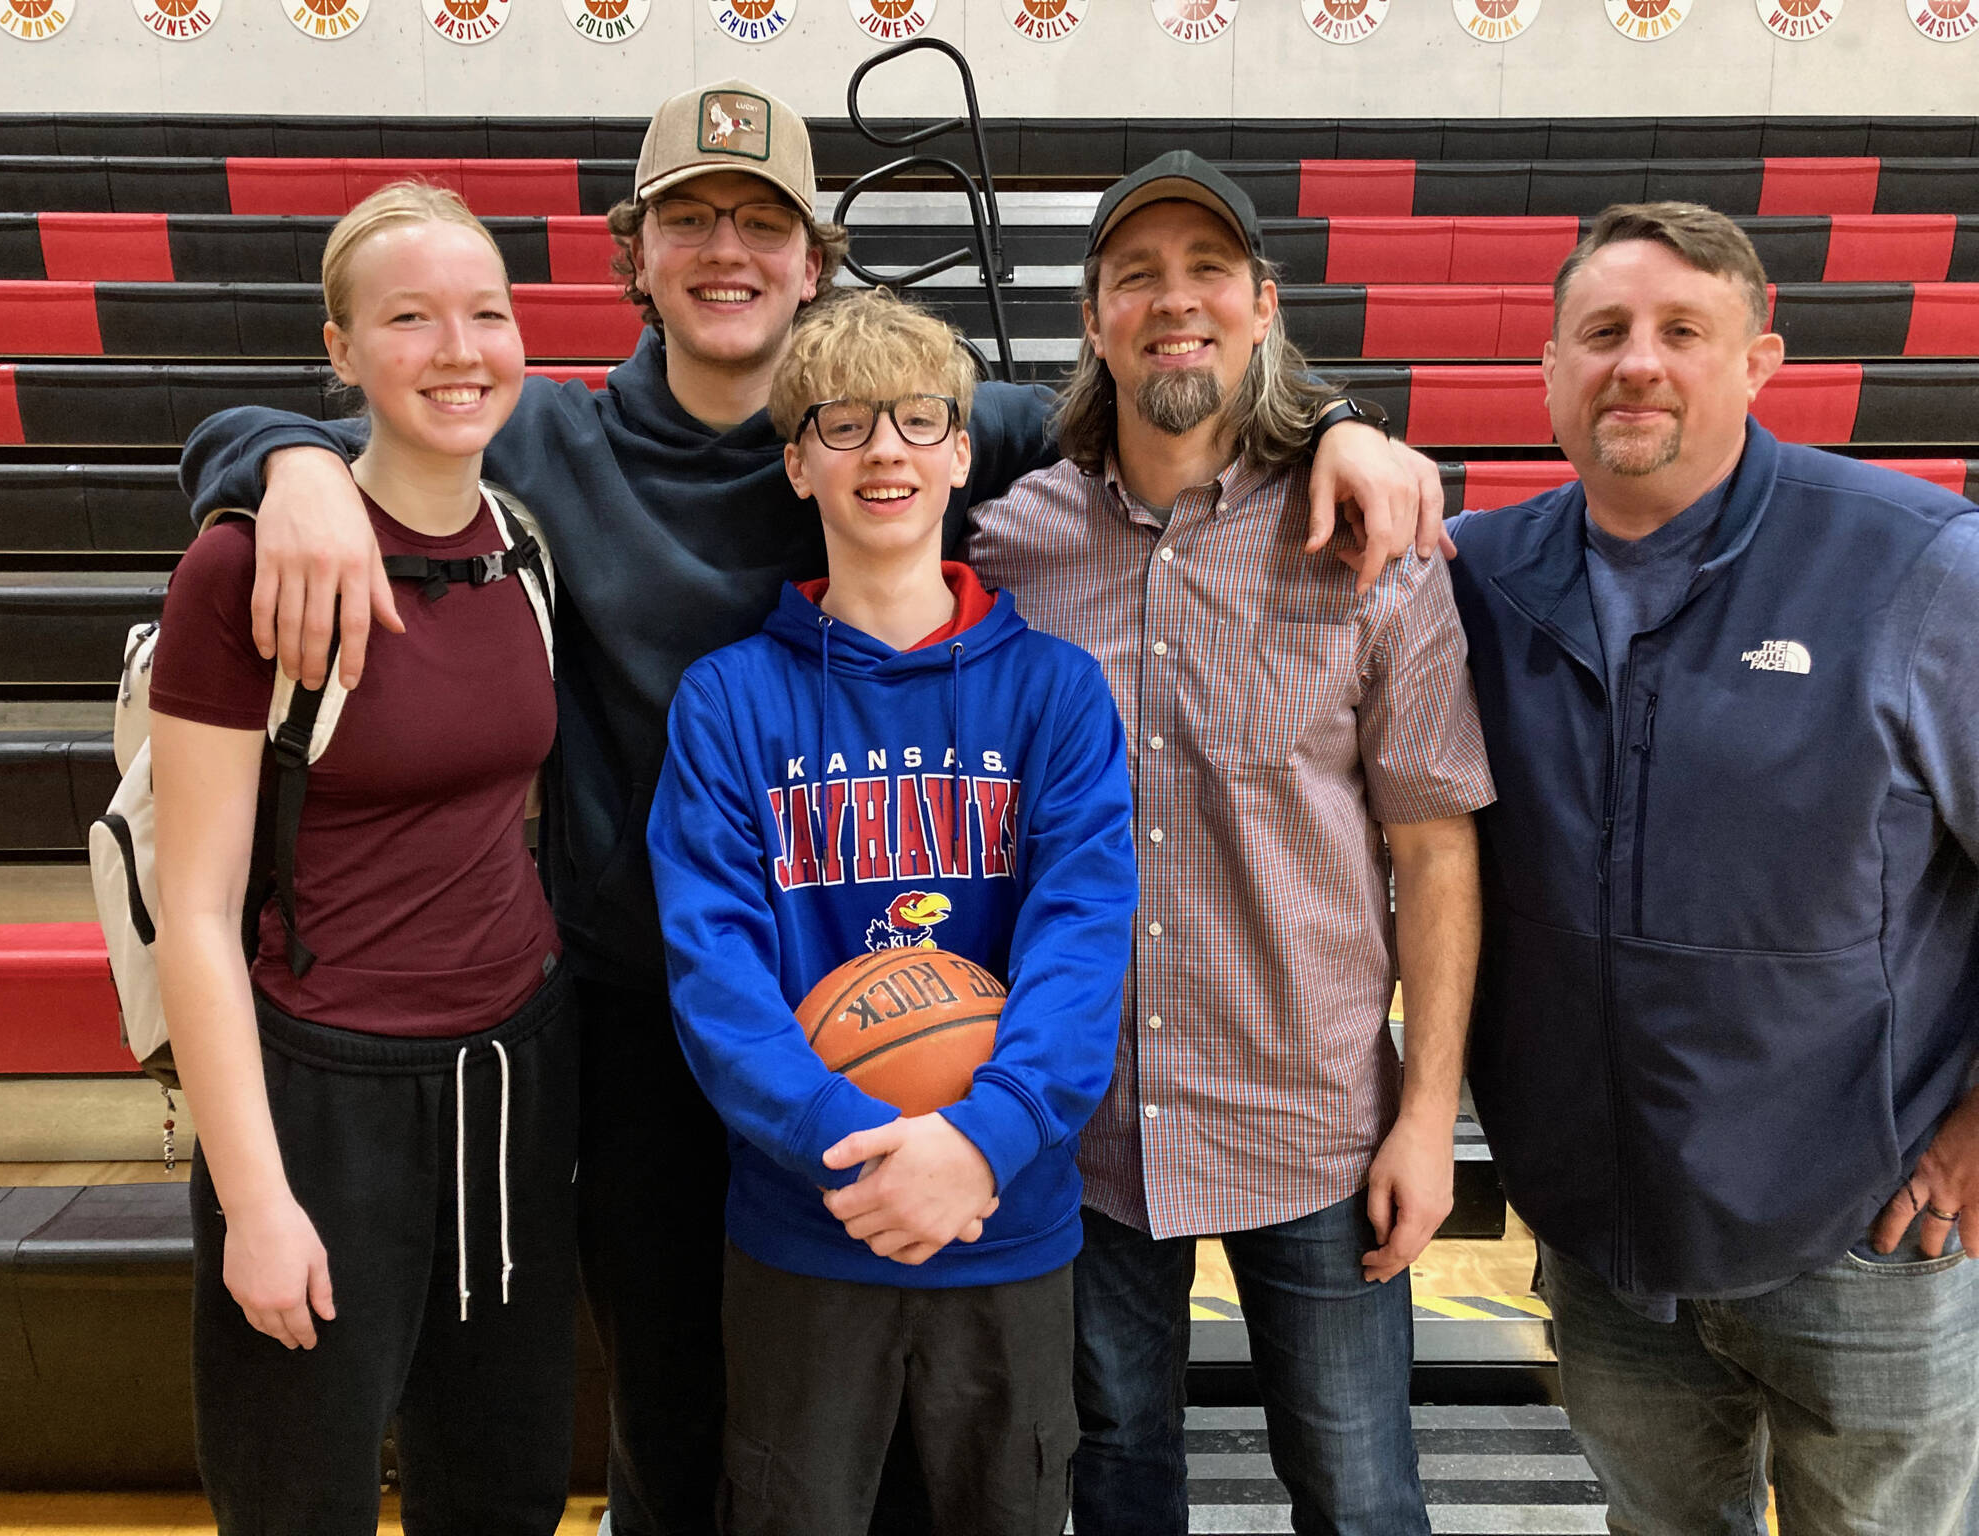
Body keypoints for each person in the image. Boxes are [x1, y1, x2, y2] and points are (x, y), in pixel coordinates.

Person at [176, 83, 1443, 1536]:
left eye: (763, 222)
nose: (729, 250)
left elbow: (1173, 391)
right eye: (692, 220)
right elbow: (346, 405)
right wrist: (282, 459)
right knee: (681, 1413)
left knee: (911, 1447)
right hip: (653, 1018)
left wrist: (1338, 422)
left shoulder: (937, 424)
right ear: (631, 254)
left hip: (903, 1019)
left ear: (815, 261)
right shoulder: (538, 446)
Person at [967, 151, 1492, 1536]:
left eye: (1208, 272)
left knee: (1363, 1493)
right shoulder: (1008, 548)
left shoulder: (1371, 543)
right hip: (1080, 1124)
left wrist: (1429, 1118)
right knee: (1115, 1481)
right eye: (1137, 275)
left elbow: (1436, 850)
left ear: (1264, 307)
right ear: (1095, 319)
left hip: (1311, 1115)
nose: (1173, 301)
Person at [1446, 201, 1979, 1535]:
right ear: (1549, 372)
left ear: (1761, 361)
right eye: (1604, 332)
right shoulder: (1478, 578)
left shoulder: (1915, 567)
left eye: (1684, 331)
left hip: (1867, 1231)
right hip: (1603, 1233)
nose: (1639, 361)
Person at [647, 288, 1136, 1535]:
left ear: (963, 453)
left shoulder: (1055, 692)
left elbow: (1080, 945)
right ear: (797, 457)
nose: (885, 451)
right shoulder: (727, 700)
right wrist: (845, 1145)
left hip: (1007, 1214)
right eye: (845, 422)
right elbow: (716, 971)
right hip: (805, 1222)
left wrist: (983, 1140)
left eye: (920, 422)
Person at [149, 183, 576, 1536]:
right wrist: (256, 1200)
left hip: (513, 1076)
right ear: (338, 352)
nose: (459, 349)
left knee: (502, 1490)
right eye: (409, 318)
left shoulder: (524, 546)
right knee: (298, 1500)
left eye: (486, 312)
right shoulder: (242, 573)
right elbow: (198, 913)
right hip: (321, 1100)